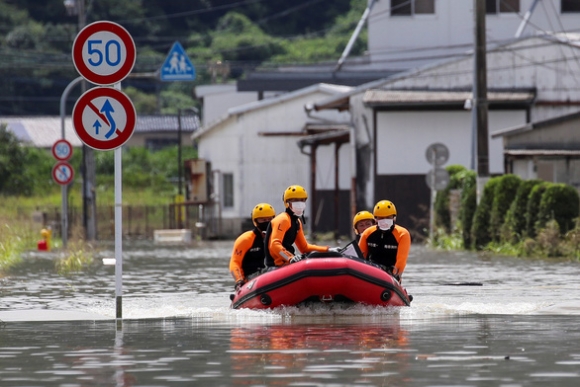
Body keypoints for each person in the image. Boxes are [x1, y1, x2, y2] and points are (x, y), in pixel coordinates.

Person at [264, 185, 331, 267]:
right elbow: (274, 245)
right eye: (295, 200)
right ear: (287, 203)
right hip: (276, 266)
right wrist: (290, 258)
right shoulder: (283, 219)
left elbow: (304, 248)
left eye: (302, 200)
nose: (299, 203)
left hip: (288, 263)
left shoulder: (297, 222)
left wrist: (327, 250)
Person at [358, 200, 411, 281]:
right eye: (381, 218)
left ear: (394, 218)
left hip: (390, 276)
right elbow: (359, 258)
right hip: (370, 273)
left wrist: (395, 277)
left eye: (388, 217)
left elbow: (401, 261)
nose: (384, 220)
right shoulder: (367, 233)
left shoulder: (402, 234)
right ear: (375, 219)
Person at [229, 202, 276, 290]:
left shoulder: (278, 238)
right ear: (255, 221)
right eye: (262, 220)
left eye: (269, 219)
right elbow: (235, 262)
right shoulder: (245, 239)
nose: (266, 222)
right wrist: (239, 281)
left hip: (273, 273)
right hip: (252, 279)